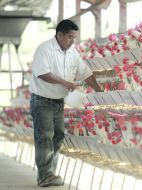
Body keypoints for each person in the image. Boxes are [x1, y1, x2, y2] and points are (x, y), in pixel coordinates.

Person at [30, 19, 102, 187]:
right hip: (42, 101)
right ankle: (45, 175)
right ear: (59, 34)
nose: (72, 41)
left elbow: (85, 73)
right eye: (70, 37)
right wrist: (65, 83)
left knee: (58, 135)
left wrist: (100, 92)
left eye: (74, 38)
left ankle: (49, 173)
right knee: (45, 137)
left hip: (58, 102)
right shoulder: (45, 49)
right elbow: (42, 73)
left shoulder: (72, 52)